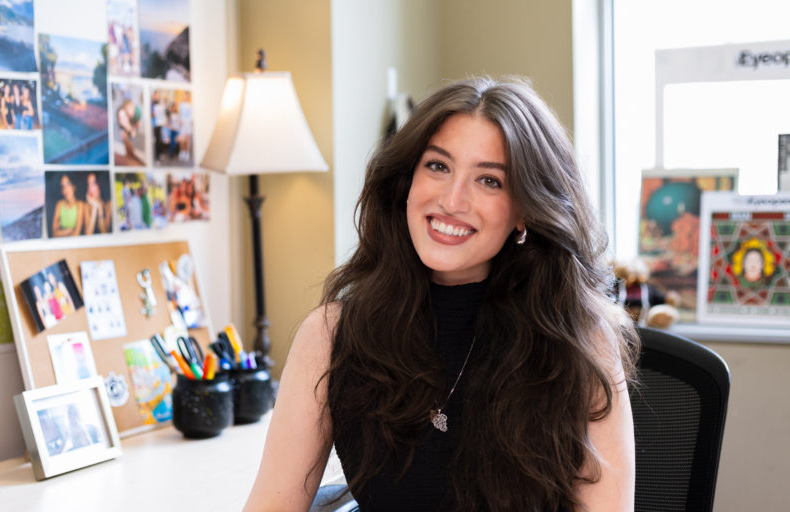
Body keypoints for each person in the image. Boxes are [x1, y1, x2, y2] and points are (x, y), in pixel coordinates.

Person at [244, 77, 639, 512]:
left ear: (525, 210)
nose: (452, 200)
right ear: (406, 181)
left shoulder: (582, 340)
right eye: (437, 166)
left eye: (489, 180)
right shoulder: (331, 336)